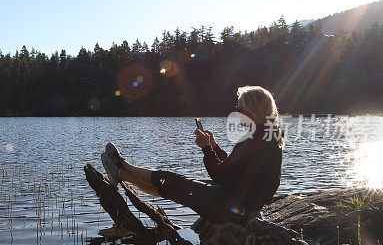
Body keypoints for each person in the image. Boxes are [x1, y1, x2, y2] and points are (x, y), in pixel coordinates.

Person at [100, 85, 284, 227]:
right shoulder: (264, 138)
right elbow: (235, 171)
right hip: (238, 205)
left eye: (240, 108)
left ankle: (121, 167)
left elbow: (221, 175)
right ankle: (121, 173)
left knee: (166, 179)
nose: (237, 112)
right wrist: (214, 147)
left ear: (254, 112)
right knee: (170, 185)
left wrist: (206, 149)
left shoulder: (256, 140)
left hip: (231, 208)